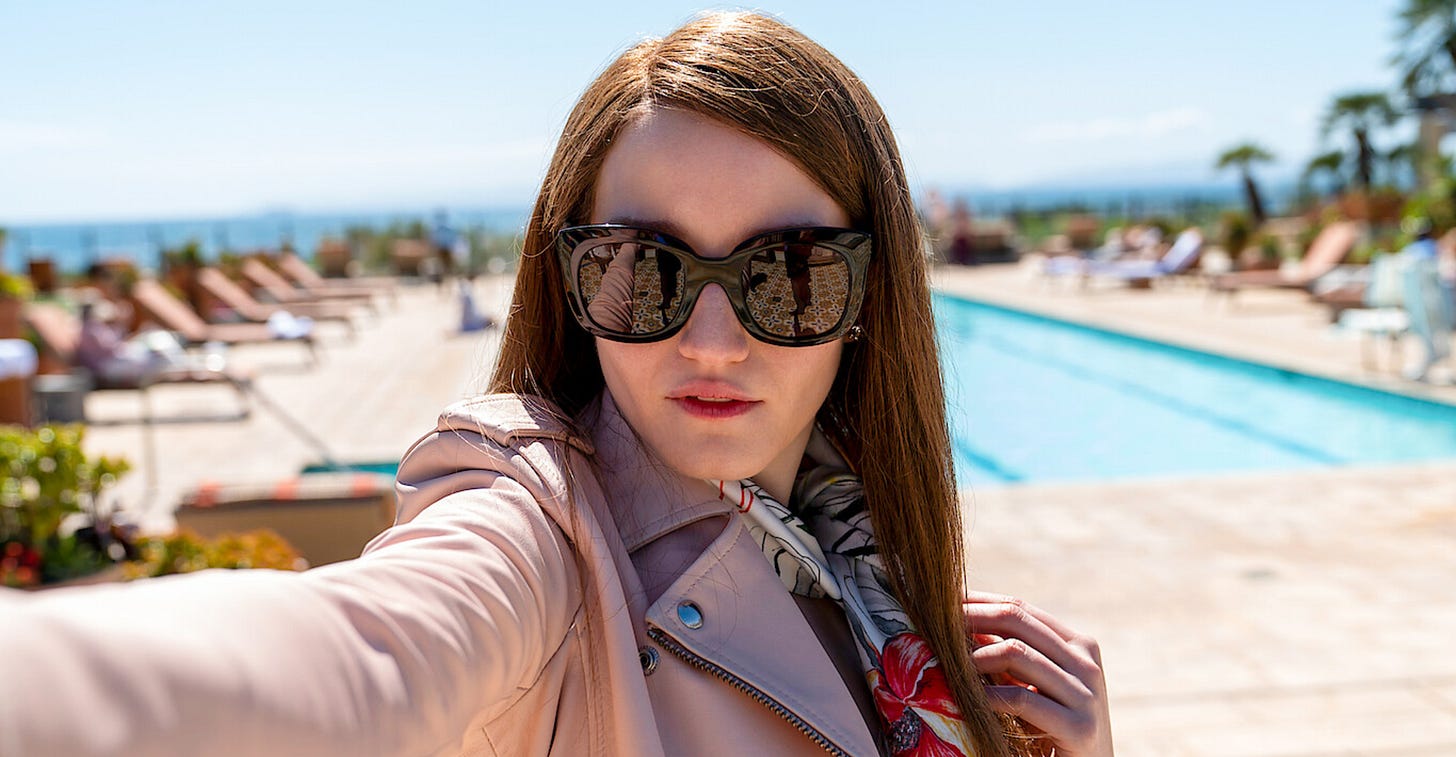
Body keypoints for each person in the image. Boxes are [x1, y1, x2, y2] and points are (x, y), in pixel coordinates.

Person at [0, 13, 1111, 756]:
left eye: (788, 275)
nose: (714, 340)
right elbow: (364, 656)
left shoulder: (858, 551)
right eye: (643, 269)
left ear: (871, 290)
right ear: (568, 279)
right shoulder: (542, 541)